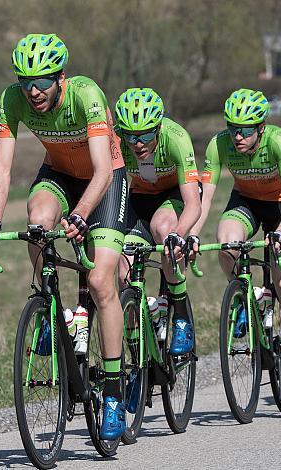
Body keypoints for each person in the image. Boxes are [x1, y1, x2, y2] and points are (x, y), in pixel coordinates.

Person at [0, 33, 127, 439]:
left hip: (105, 181)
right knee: (36, 220)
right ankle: (51, 310)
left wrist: (80, 215)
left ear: (61, 77)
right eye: (25, 82)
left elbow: (103, 171)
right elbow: (2, 168)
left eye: (42, 81)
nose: (33, 91)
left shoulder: (86, 95)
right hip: (58, 173)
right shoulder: (12, 100)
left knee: (99, 282)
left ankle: (112, 393)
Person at [190, 88, 281, 399]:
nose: (237, 136)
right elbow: (206, 197)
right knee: (227, 241)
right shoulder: (219, 144)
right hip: (246, 202)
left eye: (244, 130)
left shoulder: (277, 140)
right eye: (232, 128)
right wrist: (192, 232)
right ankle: (244, 295)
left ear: (261, 128)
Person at [115, 87, 201, 358]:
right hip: (141, 197)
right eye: (130, 136)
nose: (137, 143)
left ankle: (181, 316)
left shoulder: (176, 138)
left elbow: (194, 203)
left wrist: (180, 234)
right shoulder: (117, 142)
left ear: (159, 127)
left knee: (164, 230)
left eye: (146, 135)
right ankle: (135, 360)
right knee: (122, 271)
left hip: (176, 196)